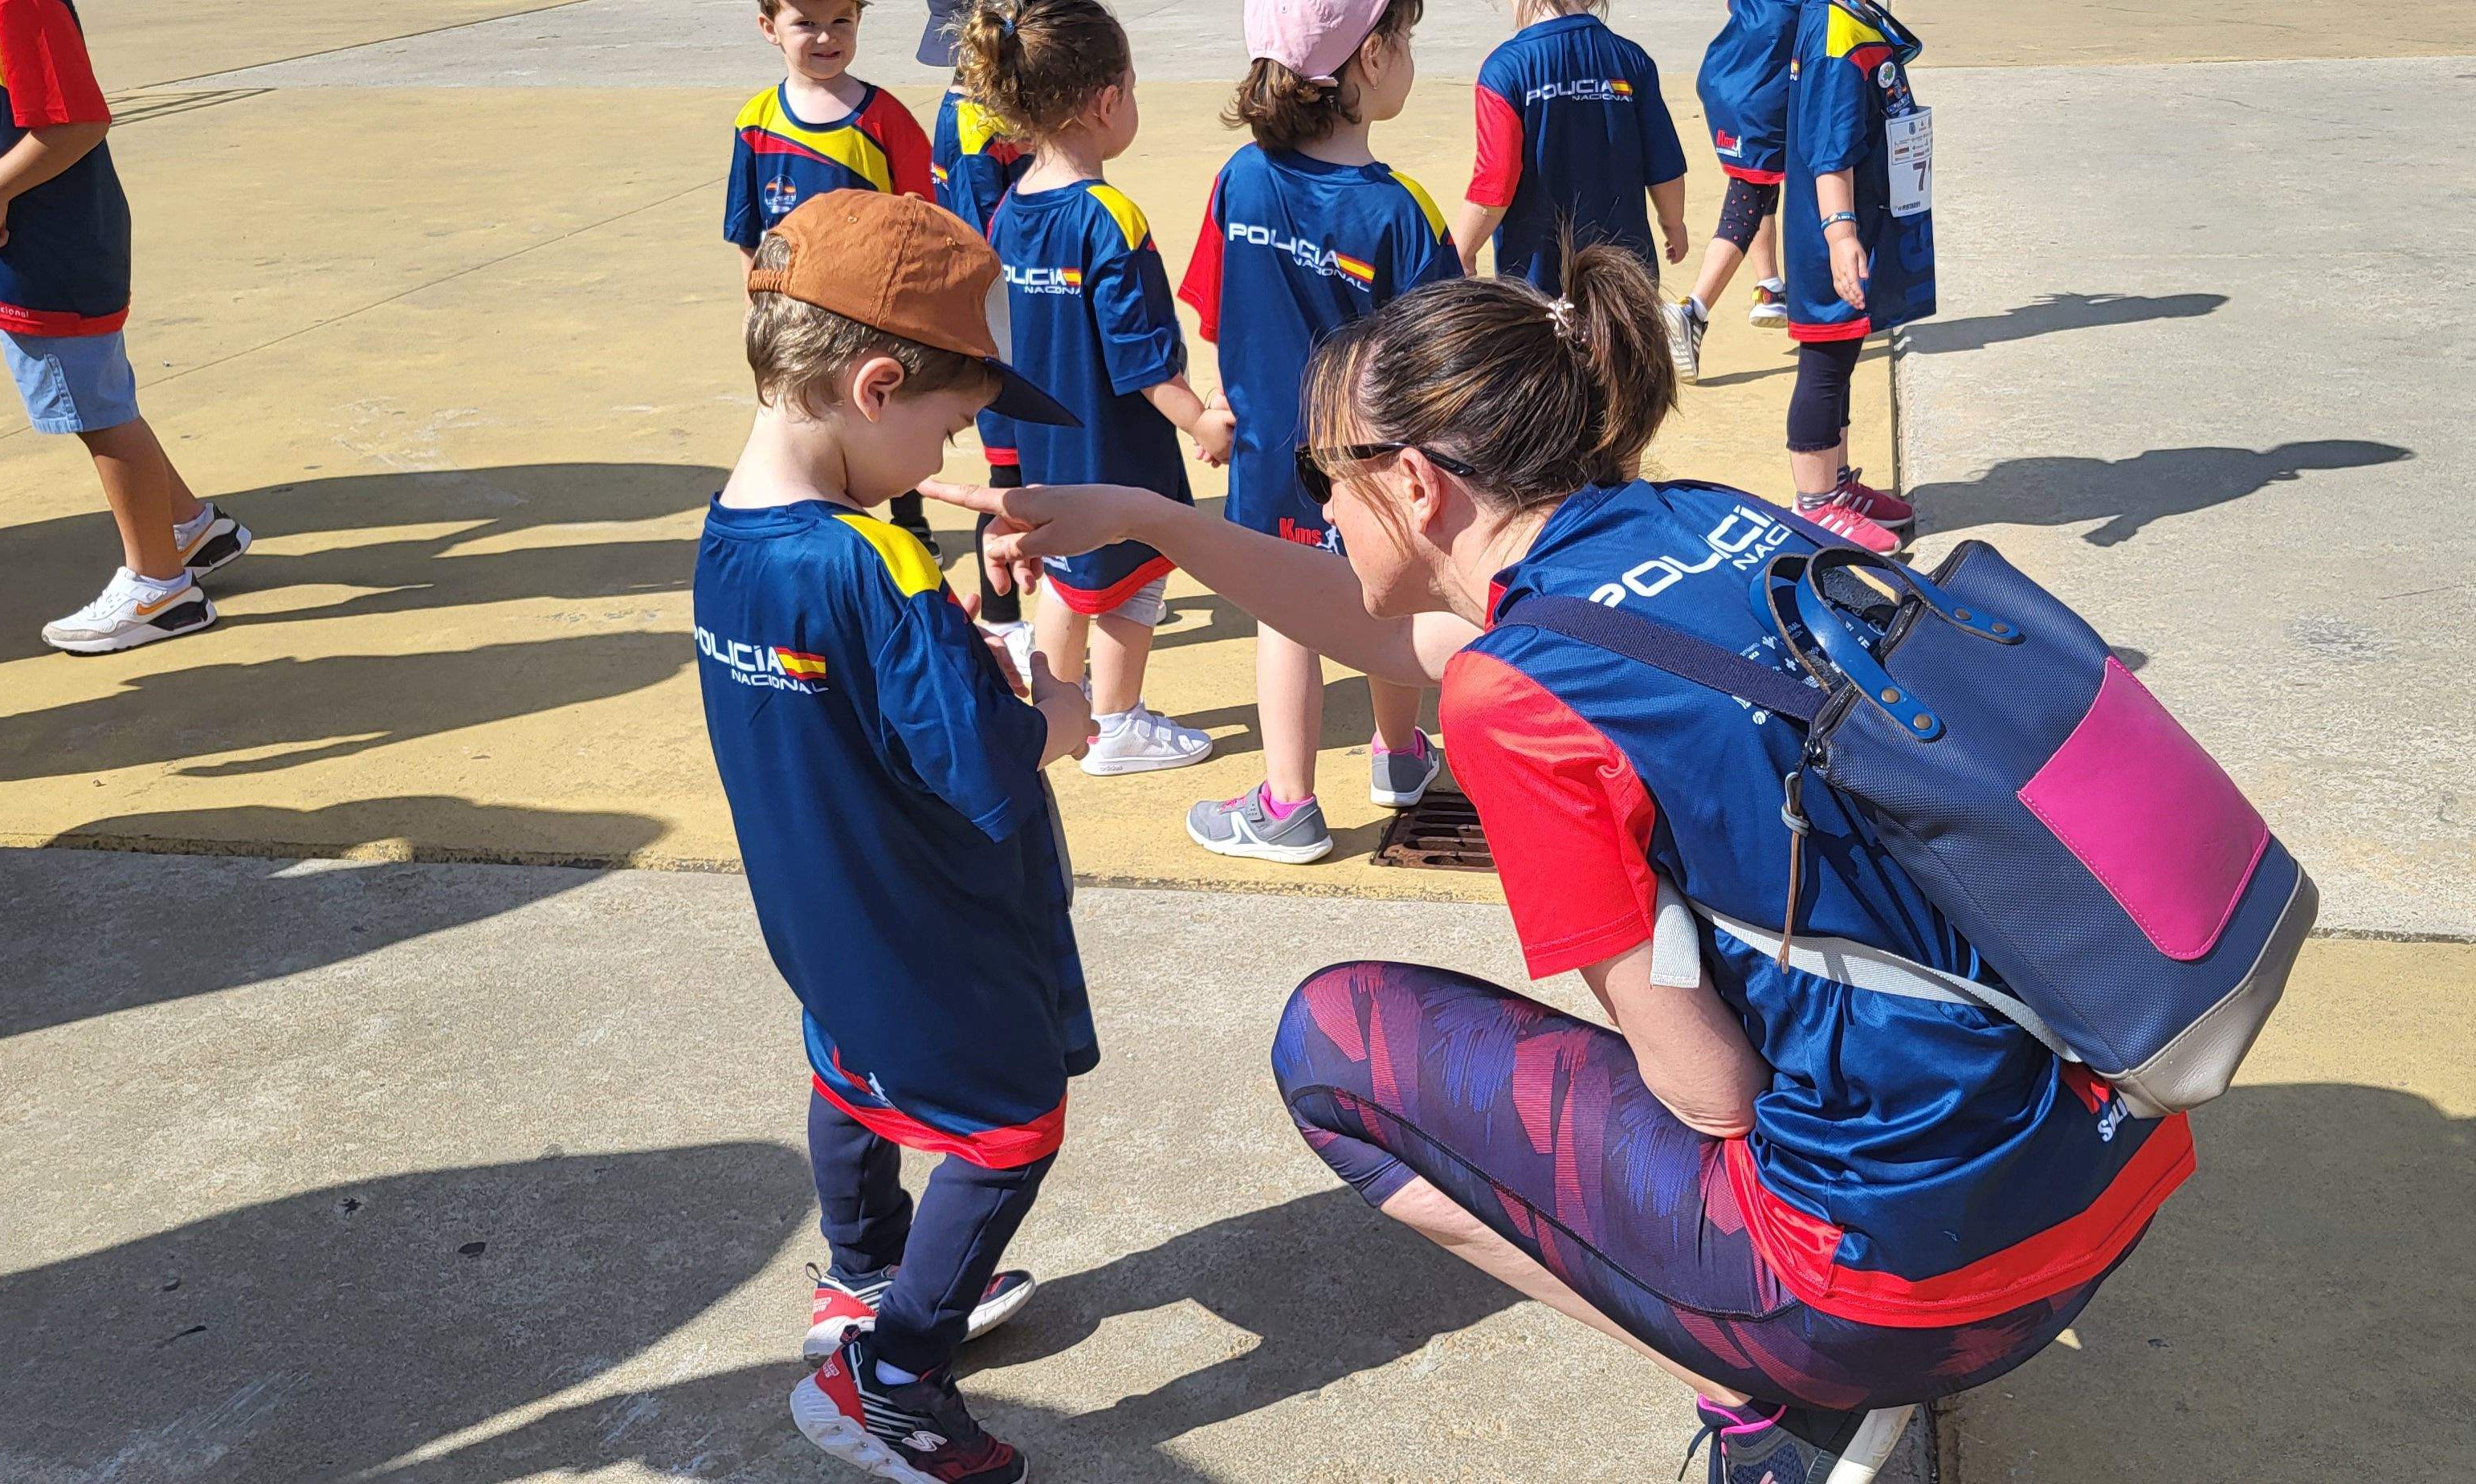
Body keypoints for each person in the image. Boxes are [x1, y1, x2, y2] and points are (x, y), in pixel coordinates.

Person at [925, 247, 2188, 1482]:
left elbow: (1708, 1095)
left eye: (1324, 474)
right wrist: (1152, 521)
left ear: (1415, 485)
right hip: (2106, 1160)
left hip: (1898, 1292)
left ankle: (1779, 1393)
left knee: (1333, 1043)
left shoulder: (1517, 698)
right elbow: (1400, 622)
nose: (1312, 504)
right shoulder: (1710, 526)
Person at [695, 189, 1093, 1484]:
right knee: (1010, 1124)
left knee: (850, 1077)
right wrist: (1058, 705)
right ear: (874, 387)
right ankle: (893, 1372)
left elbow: (848, 706)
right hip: (922, 926)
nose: (950, 456)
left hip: (822, 922)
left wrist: (950, 622)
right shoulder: (877, 561)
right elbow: (981, 757)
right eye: (952, 424)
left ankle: (862, 1272)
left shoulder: (728, 536)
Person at [0, 0, 251, 654]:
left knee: (93, 407)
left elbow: (79, 120)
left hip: (50, 232)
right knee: (95, 390)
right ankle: (188, 527)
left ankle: (161, 589)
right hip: (10, 228)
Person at [1170, 0, 1456, 863]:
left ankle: (1298, 795)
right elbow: (1439, 361)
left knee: (1286, 617)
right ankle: (1386, 761)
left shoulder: (1241, 177)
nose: (1407, 55)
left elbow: (1214, 310)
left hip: (1267, 455)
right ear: (1370, 59)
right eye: (1403, 40)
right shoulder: (1401, 212)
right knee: (1384, 596)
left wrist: (1219, 400)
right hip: (1369, 467)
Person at [953, 0, 1230, 778]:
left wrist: (1005, 452)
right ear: (1106, 101)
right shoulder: (1110, 217)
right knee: (1131, 587)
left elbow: (999, 341)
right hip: (1115, 453)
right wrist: (1202, 423)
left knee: (1069, 584)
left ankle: (1058, 706)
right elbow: (1140, 360)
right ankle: (1116, 722)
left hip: (1044, 447)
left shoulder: (1009, 210)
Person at [723, 0, 944, 546]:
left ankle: (910, 520)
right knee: (804, 412)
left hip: (873, 307)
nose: (826, 37)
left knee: (881, 413)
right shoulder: (756, 121)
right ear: (769, 29)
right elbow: (746, 227)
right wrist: (757, 302)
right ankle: (818, 514)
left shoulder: (884, 117)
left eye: (841, 20)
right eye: (806, 23)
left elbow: (925, 213)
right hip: (792, 306)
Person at [1775, 0, 1933, 555]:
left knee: (1843, 358)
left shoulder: (1855, 18)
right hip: (1831, 236)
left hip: (1862, 223)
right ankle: (1815, 502)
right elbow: (1829, 150)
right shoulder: (1836, 32)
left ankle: (1837, 484)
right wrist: (1841, 235)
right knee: (1823, 364)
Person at [924, 51, 1039, 656]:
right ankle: (1002, 618)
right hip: (1004, 324)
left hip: (1005, 319)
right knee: (1009, 478)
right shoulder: (975, 120)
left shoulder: (980, 110)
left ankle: (1013, 613)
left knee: (1020, 476)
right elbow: (988, 237)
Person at [1449, 0, 1688, 289]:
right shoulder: (1631, 60)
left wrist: (1462, 251)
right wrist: (1674, 224)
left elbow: (1495, 183)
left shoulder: (1504, 71)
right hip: (1626, 282)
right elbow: (1664, 168)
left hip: (1541, 292)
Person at [1662, 0, 1793, 382]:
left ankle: (1769, 287)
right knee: (1746, 200)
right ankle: (1693, 310)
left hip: (1729, 77)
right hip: (1760, 92)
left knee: (1760, 180)